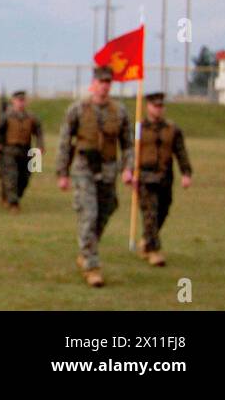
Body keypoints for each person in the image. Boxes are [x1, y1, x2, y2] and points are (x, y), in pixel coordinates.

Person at [55, 66, 133, 287]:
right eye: (101, 82)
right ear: (93, 84)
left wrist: (129, 168)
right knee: (89, 214)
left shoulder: (119, 111)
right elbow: (64, 142)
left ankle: (86, 248)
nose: (105, 86)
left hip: (109, 168)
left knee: (106, 209)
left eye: (108, 82)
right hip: (83, 168)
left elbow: (127, 143)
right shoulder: (77, 109)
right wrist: (62, 173)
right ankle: (92, 266)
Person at [126, 92, 193, 267]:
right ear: (148, 106)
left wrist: (186, 173)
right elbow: (130, 151)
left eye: (161, 106)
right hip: (145, 178)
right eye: (155, 106)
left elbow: (180, 152)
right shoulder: (139, 128)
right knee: (150, 213)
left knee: (163, 211)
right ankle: (154, 250)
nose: (158, 109)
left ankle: (147, 241)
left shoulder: (172, 129)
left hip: (165, 177)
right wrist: (128, 170)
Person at [0, 91, 45, 213]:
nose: (21, 103)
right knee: (11, 176)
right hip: (9, 151)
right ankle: (13, 203)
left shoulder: (31, 118)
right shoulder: (6, 116)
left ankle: (10, 195)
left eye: (23, 100)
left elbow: (39, 132)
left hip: (27, 151)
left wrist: (40, 146)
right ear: (13, 101)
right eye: (18, 100)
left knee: (24, 178)